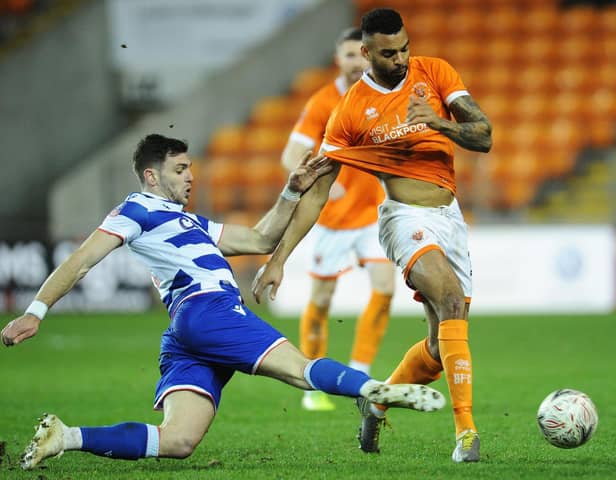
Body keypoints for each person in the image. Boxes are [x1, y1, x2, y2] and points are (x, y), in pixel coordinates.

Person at [1, 134, 445, 471]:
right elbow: (80, 260)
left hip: (187, 332)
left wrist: (291, 191)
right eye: (179, 170)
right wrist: (36, 311)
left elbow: (260, 237)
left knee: (177, 441)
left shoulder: (187, 219)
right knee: (302, 371)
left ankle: (66, 437)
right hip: (209, 309)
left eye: (190, 168)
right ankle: (374, 391)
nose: (190, 176)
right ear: (152, 176)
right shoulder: (134, 210)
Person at [252, 8, 492, 463]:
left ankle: (377, 401)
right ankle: (466, 434)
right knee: (450, 297)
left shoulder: (435, 72)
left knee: (441, 349)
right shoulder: (348, 113)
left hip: (450, 216)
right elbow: (316, 194)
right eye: (388, 53)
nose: (401, 58)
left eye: (404, 48)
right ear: (366, 53)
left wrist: (438, 122)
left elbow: (484, 136)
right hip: (403, 217)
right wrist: (279, 258)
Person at [281, 27, 396, 412]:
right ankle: (311, 384)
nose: (355, 61)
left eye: (360, 54)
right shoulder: (323, 101)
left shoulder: (381, 94)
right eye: (348, 54)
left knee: (384, 288)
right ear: (338, 59)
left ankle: (359, 373)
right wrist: (315, 183)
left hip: (373, 213)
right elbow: (290, 153)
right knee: (323, 298)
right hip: (333, 219)